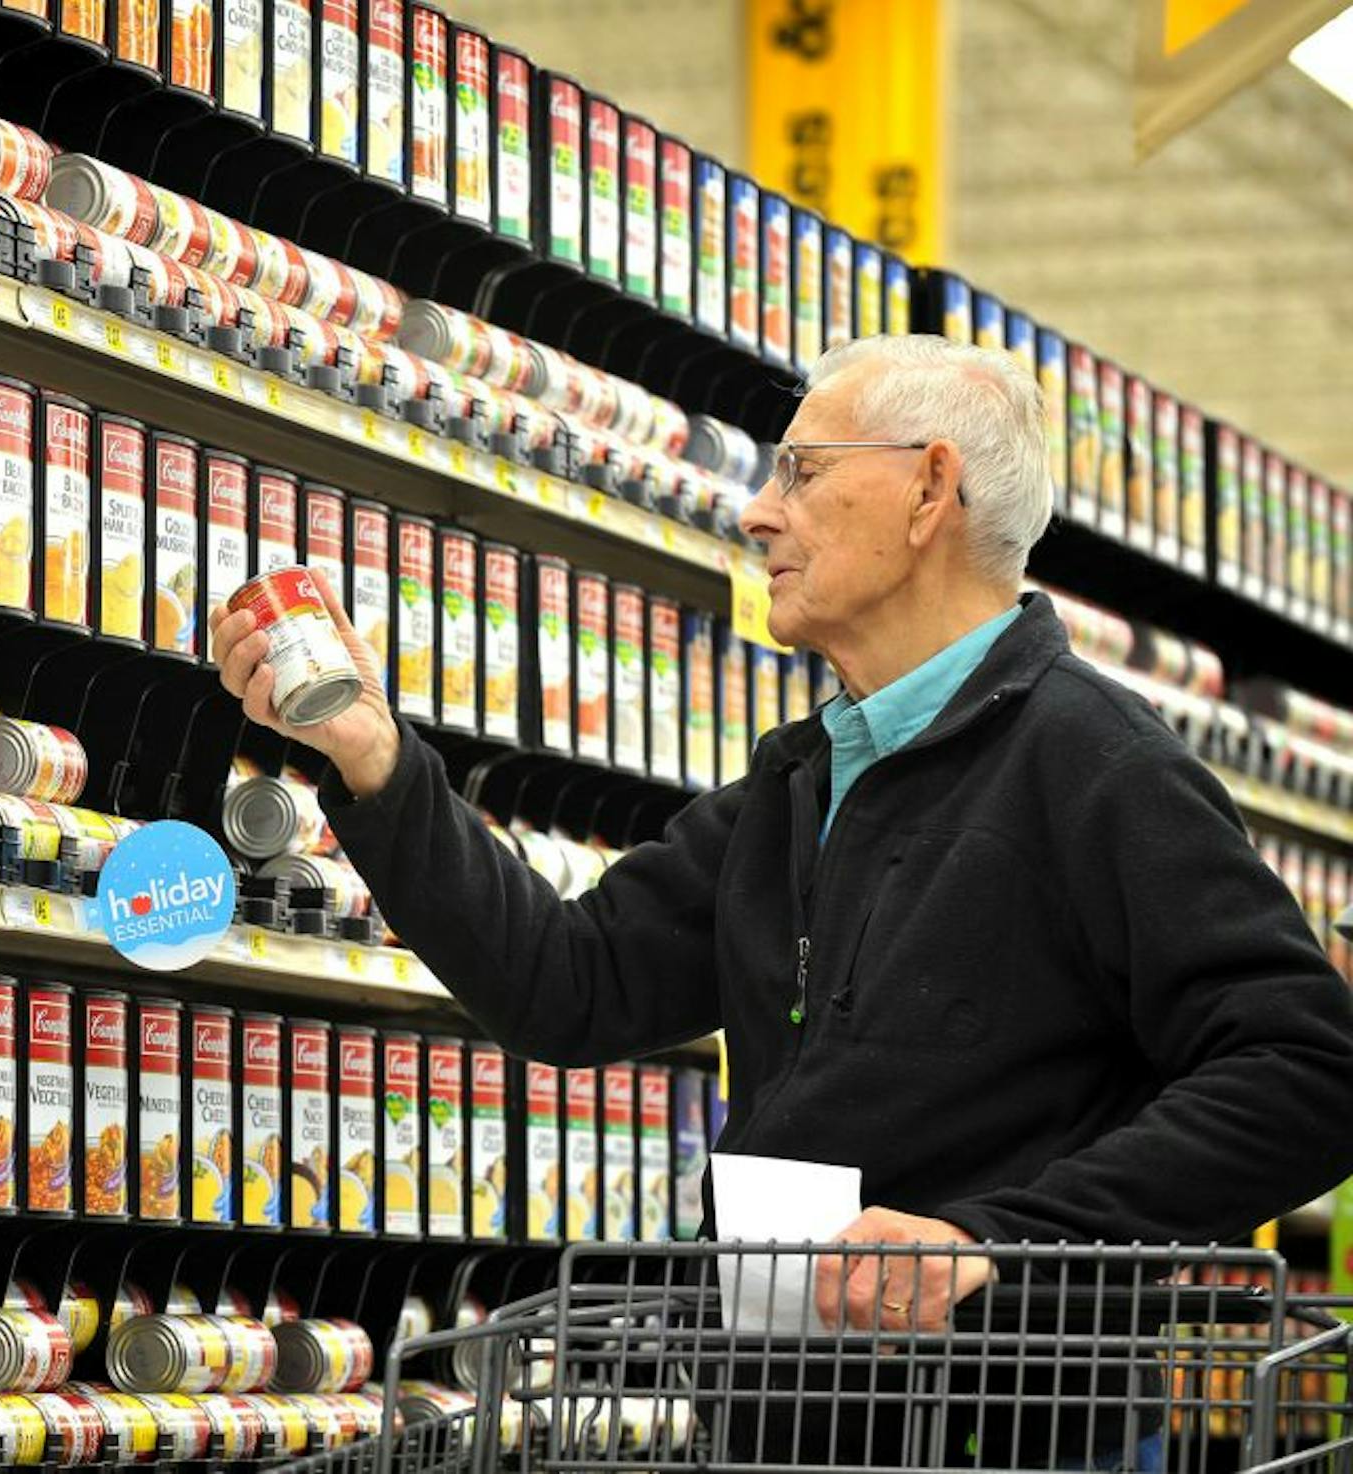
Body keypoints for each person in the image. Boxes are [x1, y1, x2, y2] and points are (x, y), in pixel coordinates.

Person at [212, 334, 1353, 1459]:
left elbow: (1308, 1070)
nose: (759, 513)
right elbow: (568, 983)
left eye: (801, 472)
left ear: (929, 489)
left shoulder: (1095, 763)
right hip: (786, 1425)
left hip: (1004, 1435)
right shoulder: (801, 781)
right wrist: (376, 761)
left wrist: (994, 1244)